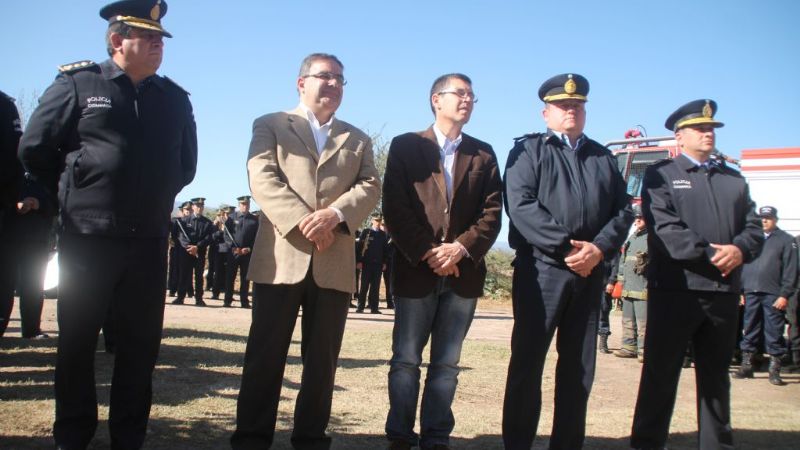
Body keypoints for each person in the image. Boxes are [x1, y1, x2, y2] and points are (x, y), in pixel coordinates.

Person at [17, 0, 197, 448]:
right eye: (148, 38)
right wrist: (71, 194)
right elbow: (35, 150)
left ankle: (128, 437)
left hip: (149, 241)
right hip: (88, 239)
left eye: (161, 39)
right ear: (118, 40)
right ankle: (73, 435)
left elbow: (186, 166)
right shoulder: (79, 84)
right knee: (76, 344)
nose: (158, 45)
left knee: (139, 349)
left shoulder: (173, 98)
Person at [230, 53, 380, 450]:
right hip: (281, 257)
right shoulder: (271, 124)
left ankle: (311, 438)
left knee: (322, 362)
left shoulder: (358, 138)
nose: (333, 84)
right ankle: (250, 438)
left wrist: (333, 215)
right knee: (264, 357)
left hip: (334, 260)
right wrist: (303, 220)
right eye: (324, 76)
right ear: (301, 83)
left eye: (340, 80)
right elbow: (262, 175)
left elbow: (370, 186)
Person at [502, 73, 633, 450]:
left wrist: (599, 249)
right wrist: (566, 248)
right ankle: (518, 444)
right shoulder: (528, 151)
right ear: (546, 113)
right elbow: (522, 206)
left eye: (577, 105)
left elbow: (623, 211)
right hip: (541, 271)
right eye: (563, 106)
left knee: (578, 368)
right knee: (528, 365)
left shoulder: (602, 157)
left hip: (589, 273)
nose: (571, 110)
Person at [630, 99, 762, 450]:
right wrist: (713, 254)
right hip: (676, 290)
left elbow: (752, 229)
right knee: (660, 375)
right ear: (679, 135)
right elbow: (667, 229)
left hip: (722, 292)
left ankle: (716, 444)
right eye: (700, 129)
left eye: (711, 128)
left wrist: (740, 250)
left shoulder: (733, 182)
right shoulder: (663, 175)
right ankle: (647, 443)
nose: (708, 133)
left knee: (716, 379)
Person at [382, 73, 503, 450]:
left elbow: (493, 212)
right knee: (405, 361)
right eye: (460, 93)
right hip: (416, 269)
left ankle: (436, 437)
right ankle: (400, 435)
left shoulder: (483, 153)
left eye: (472, 95)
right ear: (437, 99)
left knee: (447, 365)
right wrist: (430, 253)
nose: (468, 99)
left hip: (463, 273)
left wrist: (460, 250)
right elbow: (396, 207)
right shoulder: (406, 146)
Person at [734, 206, 797, 385]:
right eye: (762, 218)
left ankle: (774, 370)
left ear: (775, 219)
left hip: (773, 294)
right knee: (749, 328)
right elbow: (741, 265)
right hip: (751, 292)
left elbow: (791, 270)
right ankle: (747, 365)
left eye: (768, 218)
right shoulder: (751, 239)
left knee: (774, 331)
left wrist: (785, 294)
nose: (764, 221)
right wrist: (740, 290)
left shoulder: (786, 240)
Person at [613, 204, 649, 361]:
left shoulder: (652, 238)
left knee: (643, 322)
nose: (638, 220)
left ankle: (644, 350)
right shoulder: (632, 237)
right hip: (628, 286)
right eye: (637, 217)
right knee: (627, 318)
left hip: (643, 287)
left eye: (641, 217)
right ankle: (629, 346)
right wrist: (620, 280)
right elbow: (623, 260)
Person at [173, 197, 214, 306]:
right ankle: (180, 298)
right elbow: (180, 236)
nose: (200, 208)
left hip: (199, 253)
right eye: (198, 206)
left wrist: (198, 247)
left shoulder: (207, 223)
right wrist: (189, 247)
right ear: (193, 207)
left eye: (202, 206)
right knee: (184, 275)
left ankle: (199, 299)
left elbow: (211, 237)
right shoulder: (184, 221)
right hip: (186, 253)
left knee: (199, 276)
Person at [224, 195, 259, 308]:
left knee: (245, 278)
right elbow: (226, 235)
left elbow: (257, 237)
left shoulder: (254, 220)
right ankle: (227, 300)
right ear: (239, 205)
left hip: (246, 253)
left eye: (247, 204)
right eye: (243, 204)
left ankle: (244, 301)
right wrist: (233, 247)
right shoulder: (231, 218)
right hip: (234, 253)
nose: (245, 206)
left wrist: (249, 249)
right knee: (230, 276)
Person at [355, 215, 390, 314]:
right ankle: (360, 307)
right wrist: (359, 261)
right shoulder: (366, 232)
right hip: (366, 263)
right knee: (364, 286)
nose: (378, 222)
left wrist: (384, 262)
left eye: (379, 221)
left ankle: (374, 308)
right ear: (372, 221)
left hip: (378, 264)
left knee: (375, 287)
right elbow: (360, 248)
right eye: (376, 220)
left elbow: (385, 250)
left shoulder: (383, 234)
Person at [210, 204, 232, 300]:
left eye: (228, 214)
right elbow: (213, 236)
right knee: (218, 272)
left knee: (229, 273)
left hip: (229, 250)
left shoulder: (232, 224)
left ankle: (228, 294)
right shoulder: (216, 225)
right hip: (219, 250)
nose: (227, 216)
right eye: (225, 214)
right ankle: (215, 293)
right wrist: (221, 231)